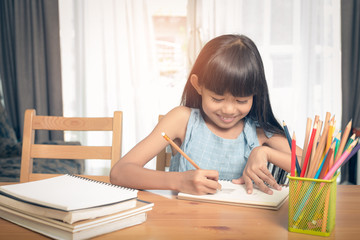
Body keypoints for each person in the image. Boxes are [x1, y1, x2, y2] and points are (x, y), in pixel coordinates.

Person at [110, 34, 299, 195]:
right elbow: (120, 172)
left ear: (255, 93)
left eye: (241, 101)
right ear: (198, 85)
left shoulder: (258, 131)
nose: (228, 110)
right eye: (217, 99)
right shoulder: (182, 120)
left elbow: (316, 170)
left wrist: (264, 152)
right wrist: (178, 181)